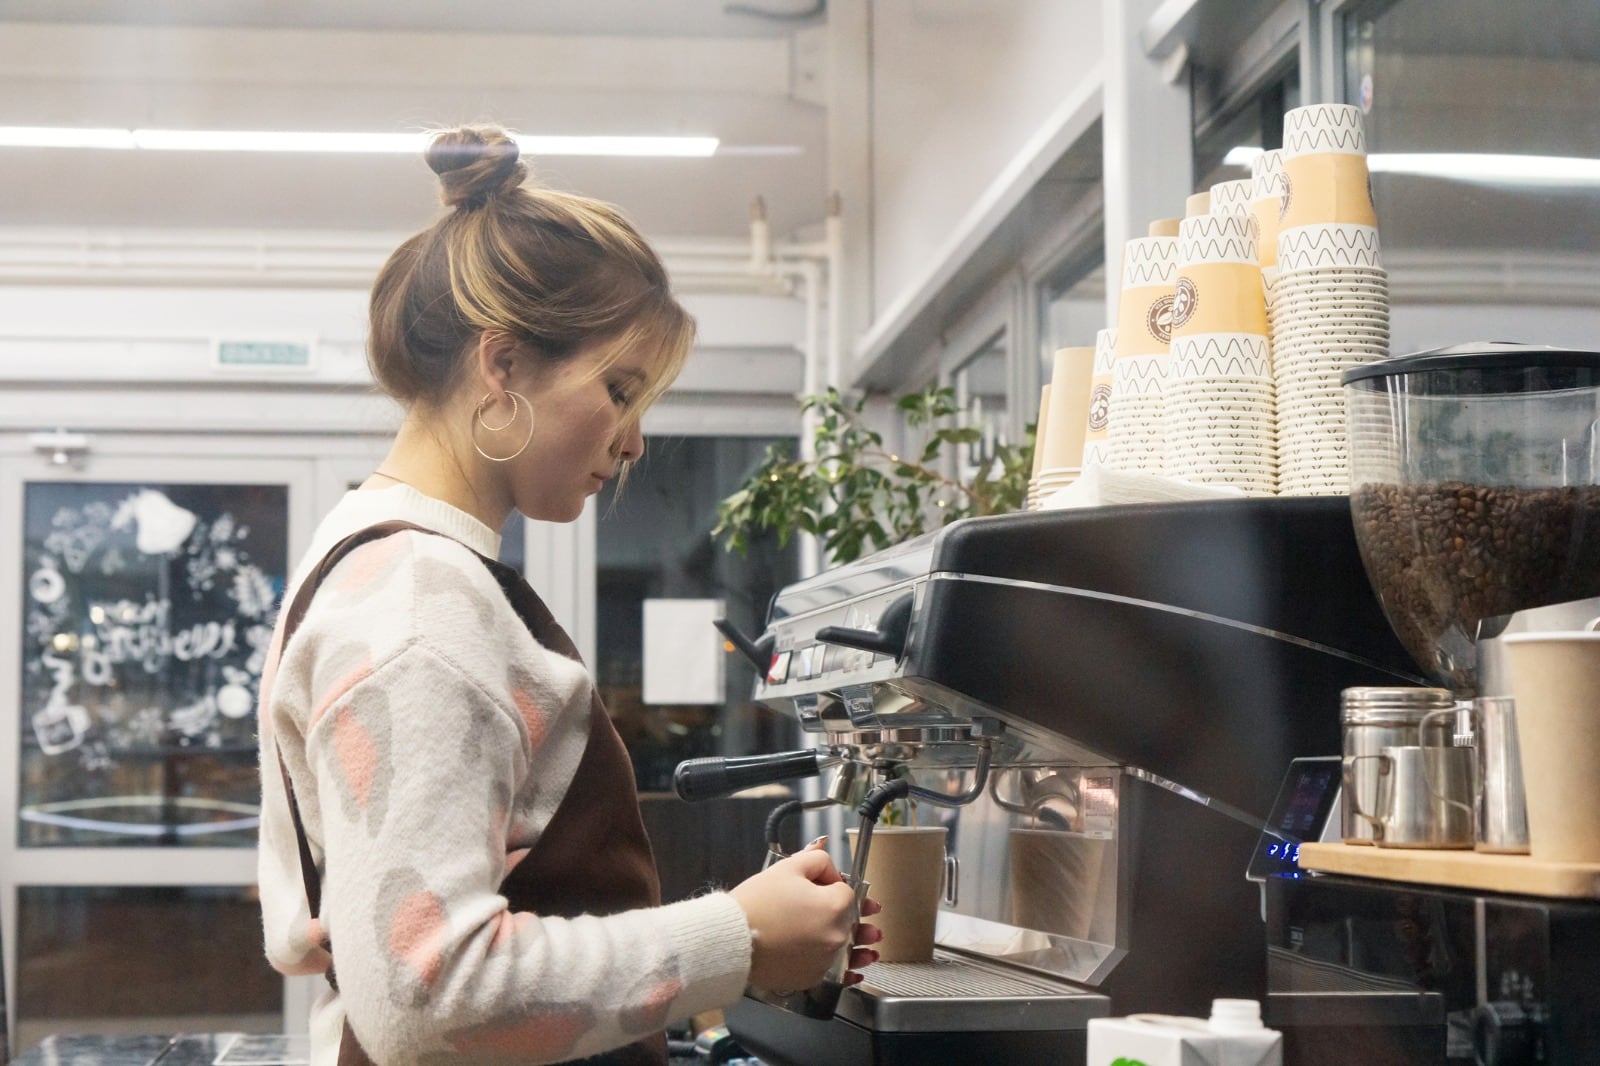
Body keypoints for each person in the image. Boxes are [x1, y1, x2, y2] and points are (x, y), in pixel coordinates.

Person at [256, 124, 880, 1066]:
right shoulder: (425, 600)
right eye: (620, 389)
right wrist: (737, 940)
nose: (633, 441)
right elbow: (427, 996)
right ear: (501, 366)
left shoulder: (361, 554)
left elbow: (314, 927)